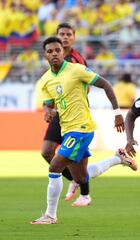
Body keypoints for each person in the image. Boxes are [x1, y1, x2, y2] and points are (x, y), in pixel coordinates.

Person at [31, 37, 137, 224]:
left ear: (63, 52)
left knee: (54, 166)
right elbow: (48, 104)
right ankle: (118, 158)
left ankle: (50, 215)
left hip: (81, 128)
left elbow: (105, 84)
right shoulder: (45, 80)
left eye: (57, 50)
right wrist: (48, 112)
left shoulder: (77, 70)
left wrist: (117, 113)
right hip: (67, 129)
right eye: (50, 51)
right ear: (45, 55)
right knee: (81, 177)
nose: (54, 53)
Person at [40, 23, 89, 206]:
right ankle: (76, 182)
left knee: (77, 162)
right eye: (62, 34)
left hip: (76, 115)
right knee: (46, 152)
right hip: (59, 113)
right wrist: (48, 109)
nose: (66, 37)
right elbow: (49, 89)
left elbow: (87, 88)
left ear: (74, 37)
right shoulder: (52, 58)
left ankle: (84, 192)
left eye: (69, 34)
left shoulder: (77, 60)